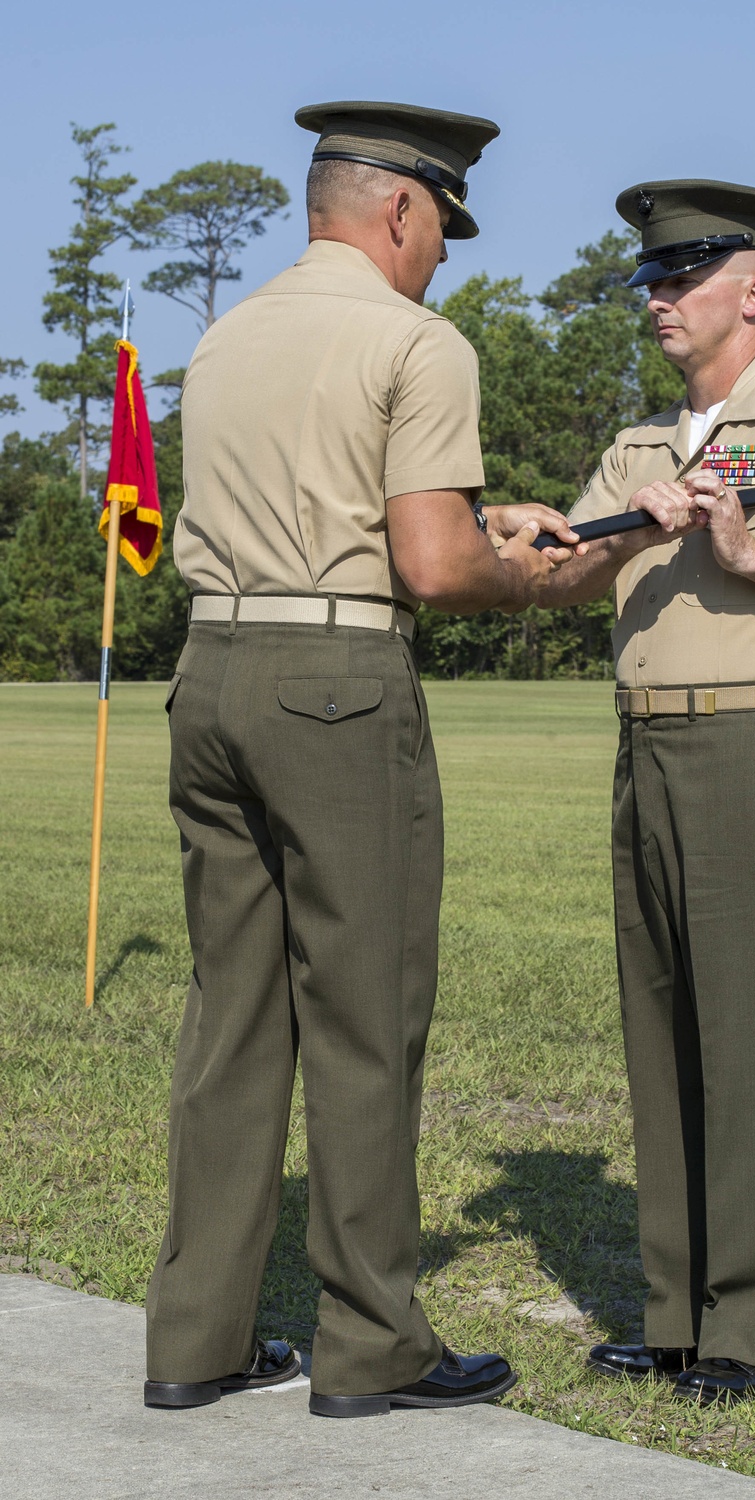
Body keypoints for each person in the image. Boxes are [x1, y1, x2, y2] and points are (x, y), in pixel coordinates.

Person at [143, 99, 577, 1419]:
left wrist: (472, 523)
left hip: (210, 672)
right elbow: (435, 568)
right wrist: (527, 573)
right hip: (336, 688)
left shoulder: (225, 337)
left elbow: (322, 503)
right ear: (397, 208)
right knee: (364, 1020)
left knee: (231, 1018)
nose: (443, 252)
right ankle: (374, 1344)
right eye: (441, 224)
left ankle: (195, 1339)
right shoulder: (415, 340)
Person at [500, 179, 755, 1404]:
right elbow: (560, 584)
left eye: (680, 278)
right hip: (646, 748)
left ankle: (749, 1329)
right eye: (648, 279)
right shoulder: (640, 445)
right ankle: (676, 1315)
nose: (657, 300)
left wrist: (751, 555)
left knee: (746, 1043)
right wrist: (634, 530)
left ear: (754, 287)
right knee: (663, 1037)